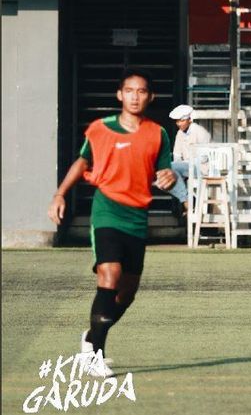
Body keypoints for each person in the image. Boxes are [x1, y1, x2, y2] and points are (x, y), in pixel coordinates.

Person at [47, 68, 176, 376]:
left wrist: (169, 178)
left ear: (150, 97)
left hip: (137, 217)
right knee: (109, 275)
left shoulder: (158, 133)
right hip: (107, 210)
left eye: (141, 91)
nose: (135, 96)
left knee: (126, 294)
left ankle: (90, 338)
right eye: (129, 90)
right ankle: (95, 355)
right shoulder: (100, 129)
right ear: (120, 95)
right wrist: (60, 194)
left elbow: (165, 173)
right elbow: (82, 162)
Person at [167, 104, 211, 217]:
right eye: (177, 121)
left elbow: (205, 157)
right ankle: (188, 201)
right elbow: (177, 155)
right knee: (167, 174)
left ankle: (187, 203)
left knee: (170, 169)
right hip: (187, 167)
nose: (179, 124)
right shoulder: (180, 134)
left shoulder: (200, 131)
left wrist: (186, 164)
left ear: (189, 119)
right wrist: (181, 166)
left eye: (181, 121)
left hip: (201, 168)